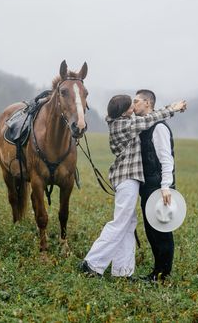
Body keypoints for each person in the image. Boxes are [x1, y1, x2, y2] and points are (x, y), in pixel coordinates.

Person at [79, 94, 186, 278]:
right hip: (127, 179)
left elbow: (151, 116)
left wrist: (174, 107)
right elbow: (150, 118)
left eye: (136, 102)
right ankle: (92, 263)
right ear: (123, 112)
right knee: (120, 223)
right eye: (131, 105)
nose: (133, 107)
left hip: (131, 180)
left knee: (128, 225)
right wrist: (173, 108)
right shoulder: (125, 125)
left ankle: (123, 271)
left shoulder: (127, 120)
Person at [134, 89, 184, 282]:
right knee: (151, 229)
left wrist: (165, 186)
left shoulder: (159, 128)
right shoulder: (144, 125)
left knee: (161, 230)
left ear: (148, 103)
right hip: (148, 185)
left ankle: (162, 275)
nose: (133, 104)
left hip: (158, 186)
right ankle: (158, 271)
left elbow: (166, 159)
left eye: (137, 101)